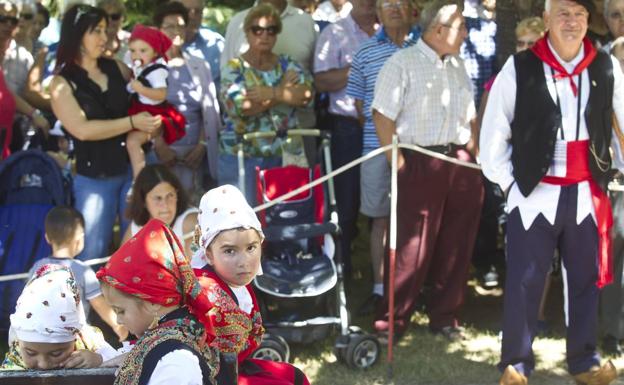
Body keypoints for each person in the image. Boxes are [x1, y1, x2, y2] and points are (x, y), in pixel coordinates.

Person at [479, 0, 624, 380]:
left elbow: (620, 123)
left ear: (588, 21)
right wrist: (511, 184)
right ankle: (516, 364)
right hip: (533, 193)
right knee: (526, 280)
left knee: (584, 281)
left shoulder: (606, 66)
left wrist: (617, 172)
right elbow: (494, 132)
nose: (572, 22)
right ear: (546, 19)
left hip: (586, 194)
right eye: (563, 13)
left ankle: (584, 362)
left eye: (578, 14)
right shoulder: (521, 66)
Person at [372, 0, 483, 341]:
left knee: (457, 243)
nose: (466, 33)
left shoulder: (458, 64)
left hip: (460, 162)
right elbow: (382, 116)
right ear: (439, 29)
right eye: (460, 26)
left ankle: (445, 318)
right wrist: (401, 166)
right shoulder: (401, 63)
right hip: (419, 161)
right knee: (411, 246)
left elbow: (471, 116)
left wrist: (474, 155)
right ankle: (392, 323)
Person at [49, 4, 161, 262]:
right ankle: (87, 302)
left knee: (139, 248)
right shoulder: (61, 82)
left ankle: (133, 301)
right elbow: (82, 130)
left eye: (105, 29)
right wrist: (132, 122)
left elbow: (148, 100)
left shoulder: (118, 68)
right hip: (95, 179)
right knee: (90, 252)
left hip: (136, 169)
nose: (104, 37)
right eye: (96, 31)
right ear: (77, 35)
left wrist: (158, 122)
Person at [192, 184, 310, 385]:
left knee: (294, 376)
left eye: (251, 248)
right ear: (209, 254)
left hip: (235, 367)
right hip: (211, 378)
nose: (244, 261)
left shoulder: (235, 279)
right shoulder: (208, 293)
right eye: (230, 251)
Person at [346, 0, 420, 314]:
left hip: (418, 148)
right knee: (379, 220)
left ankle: (413, 288)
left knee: (417, 221)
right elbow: (361, 108)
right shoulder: (364, 53)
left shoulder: (424, 47)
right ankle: (380, 288)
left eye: (399, 2)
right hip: (374, 148)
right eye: (385, 3)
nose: (392, 7)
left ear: (412, 9)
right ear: (376, 12)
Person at [97, 219, 218, 385]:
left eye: (121, 311)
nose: (118, 320)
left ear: (153, 302)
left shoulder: (176, 360)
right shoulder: (165, 341)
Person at [219, 3, 313, 204]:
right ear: (247, 32)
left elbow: (306, 95)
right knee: (243, 220)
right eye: (257, 30)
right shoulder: (234, 68)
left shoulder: (288, 63)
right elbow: (242, 107)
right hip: (242, 155)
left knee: (286, 216)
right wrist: (284, 92)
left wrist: (270, 93)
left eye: (271, 30)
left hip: (283, 153)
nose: (264, 35)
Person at [313, 0, 377, 280]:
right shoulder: (334, 33)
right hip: (348, 127)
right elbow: (321, 81)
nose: (368, 3)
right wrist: (358, 69)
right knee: (345, 200)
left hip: (386, 128)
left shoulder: (390, 32)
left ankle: (383, 277)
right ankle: (342, 268)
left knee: (384, 203)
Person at [152, 1, 222, 198]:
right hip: (159, 154)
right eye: (169, 26)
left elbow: (208, 110)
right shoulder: (148, 66)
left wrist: (202, 145)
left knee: (192, 210)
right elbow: (142, 109)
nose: (176, 31)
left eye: (180, 25)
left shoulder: (199, 65)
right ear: (158, 30)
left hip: (194, 156)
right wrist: (159, 144)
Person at [27, 206, 128, 342]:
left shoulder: (37, 267)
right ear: (79, 240)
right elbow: (99, 304)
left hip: (41, 335)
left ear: (47, 238)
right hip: (74, 338)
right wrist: (118, 326)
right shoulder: (83, 270)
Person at [1, 264, 117, 370]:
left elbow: (123, 361)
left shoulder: (89, 340)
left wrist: (99, 359)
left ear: (74, 337)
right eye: (30, 353)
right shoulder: (16, 356)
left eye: (56, 353)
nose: (43, 365)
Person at [126, 24, 186, 179]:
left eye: (143, 50)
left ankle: (138, 177)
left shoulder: (157, 70)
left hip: (153, 113)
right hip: (140, 110)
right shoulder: (140, 68)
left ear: (154, 51)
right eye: (133, 50)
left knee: (133, 142)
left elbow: (161, 94)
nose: (136, 55)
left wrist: (140, 89)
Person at [122, 164, 198, 258]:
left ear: (177, 195)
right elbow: (118, 268)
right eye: (158, 198)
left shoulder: (189, 222)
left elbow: (198, 269)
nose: (165, 205)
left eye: (170, 195)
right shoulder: (138, 227)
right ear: (143, 201)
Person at [180, 0, 225, 91]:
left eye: (197, 11)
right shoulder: (156, 44)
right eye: (186, 10)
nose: (192, 16)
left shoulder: (216, 44)